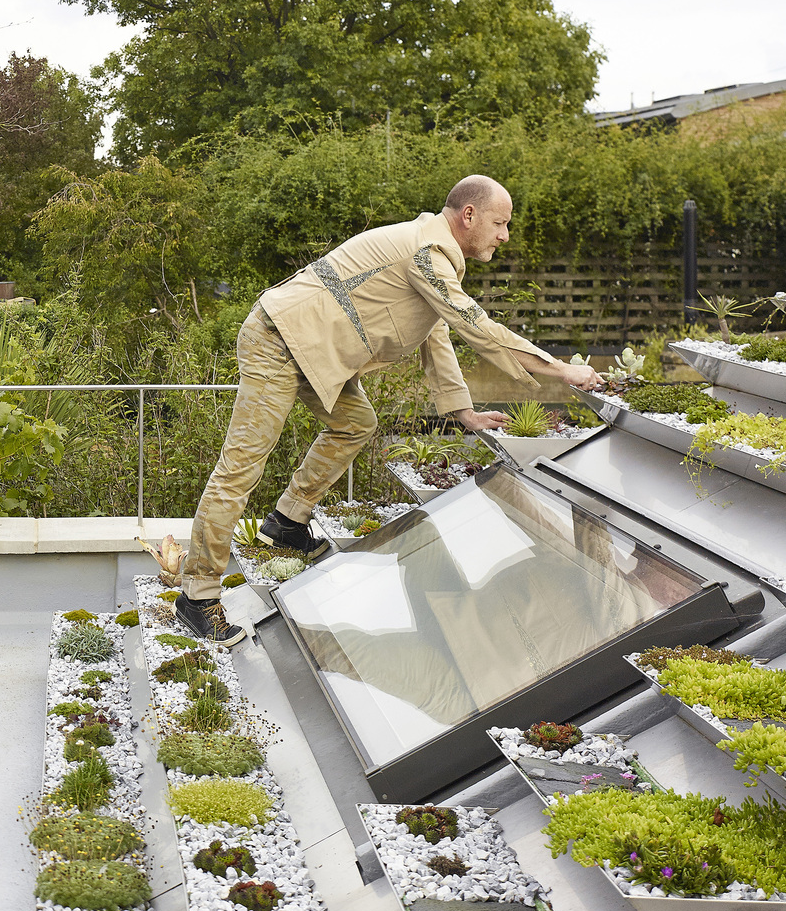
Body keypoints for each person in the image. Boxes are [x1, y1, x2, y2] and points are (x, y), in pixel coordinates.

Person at [174, 174, 603, 646]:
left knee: (356, 424)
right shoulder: (425, 252)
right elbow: (476, 326)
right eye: (500, 223)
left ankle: (287, 521)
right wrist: (562, 370)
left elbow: (436, 334)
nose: (505, 235)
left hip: (314, 349)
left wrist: (463, 413)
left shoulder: (435, 254)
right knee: (241, 467)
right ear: (469, 215)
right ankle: (196, 595)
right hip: (280, 339)